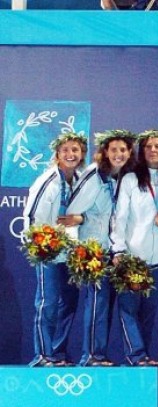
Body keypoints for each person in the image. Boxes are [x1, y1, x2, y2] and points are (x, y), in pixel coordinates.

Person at [67, 129, 137, 366]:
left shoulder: (122, 177)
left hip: (112, 251)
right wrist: (82, 222)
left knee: (104, 305)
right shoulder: (94, 174)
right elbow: (72, 209)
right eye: (113, 149)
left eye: (123, 150)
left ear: (129, 152)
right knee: (97, 304)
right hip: (94, 251)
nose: (118, 154)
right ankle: (91, 355)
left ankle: (99, 354)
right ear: (105, 152)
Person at [110, 129, 158, 366]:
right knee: (128, 309)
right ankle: (136, 355)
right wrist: (119, 250)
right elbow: (119, 217)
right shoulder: (130, 180)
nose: (153, 150)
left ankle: (144, 358)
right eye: (148, 146)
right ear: (141, 151)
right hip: (133, 257)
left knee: (149, 313)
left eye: (157, 146)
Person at [23, 132, 87, 367]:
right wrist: (40, 246)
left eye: (75, 150)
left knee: (69, 303)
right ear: (57, 154)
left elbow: (88, 213)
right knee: (48, 302)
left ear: (82, 154)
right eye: (65, 150)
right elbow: (31, 217)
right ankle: (42, 354)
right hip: (48, 250)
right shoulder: (47, 181)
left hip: (70, 254)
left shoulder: (81, 181)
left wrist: (80, 219)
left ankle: (58, 353)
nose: (70, 154)